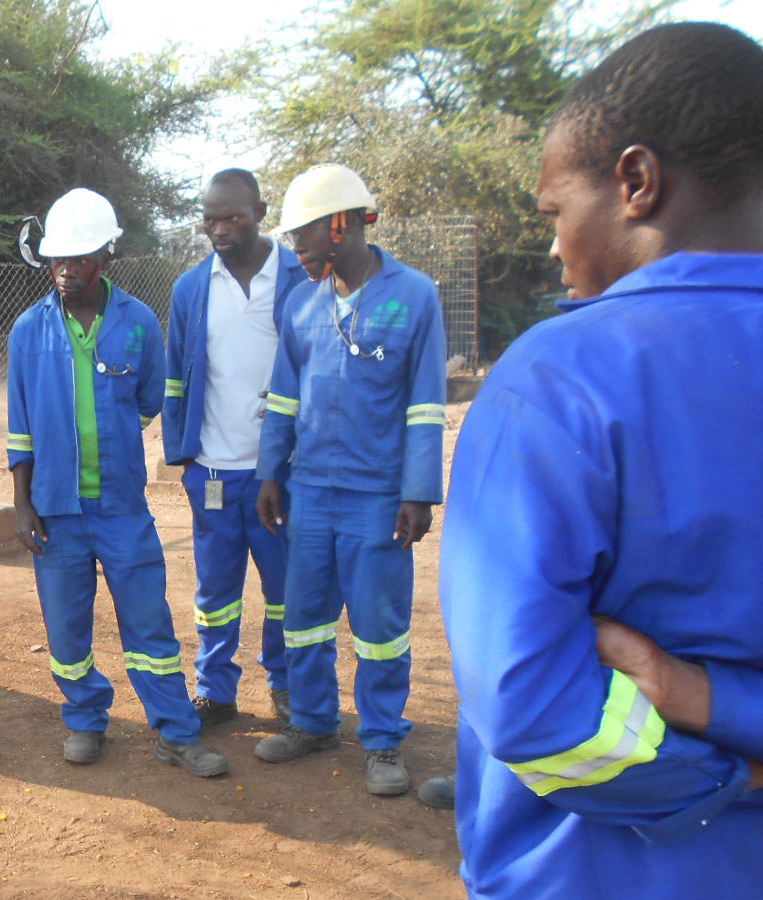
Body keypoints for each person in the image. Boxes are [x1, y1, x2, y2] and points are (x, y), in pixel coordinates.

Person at [440, 22, 763, 897]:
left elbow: (536, 709)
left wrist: (728, 779)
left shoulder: (556, 381)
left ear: (635, 181)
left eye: (554, 211)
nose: (552, 245)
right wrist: (722, 703)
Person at [9, 187, 230, 778]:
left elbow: (152, 400)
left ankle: (176, 732)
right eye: (57, 259)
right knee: (66, 628)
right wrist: (22, 503)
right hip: (54, 510)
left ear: (105, 257)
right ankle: (85, 718)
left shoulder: (137, 325)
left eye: (78, 260)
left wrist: (110, 438)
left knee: (148, 623)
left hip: (122, 508)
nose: (65, 271)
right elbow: (20, 428)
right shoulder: (28, 331)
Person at [251, 164, 446, 796]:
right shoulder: (302, 302)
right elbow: (283, 398)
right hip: (309, 493)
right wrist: (270, 474)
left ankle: (383, 739)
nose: (295, 247)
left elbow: (425, 405)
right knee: (303, 616)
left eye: (303, 233)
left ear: (342, 225)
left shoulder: (415, 296)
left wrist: (418, 491)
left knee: (379, 623)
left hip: (378, 499)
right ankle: (313, 722)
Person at [162, 168, 308, 729]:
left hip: (281, 473)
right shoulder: (193, 288)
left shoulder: (300, 278)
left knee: (284, 591)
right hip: (215, 472)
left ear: (261, 212)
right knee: (215, 589)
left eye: (233, 217)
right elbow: (177, 376)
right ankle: (215, 688)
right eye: (210, 219)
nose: (219, 229)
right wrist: (185, 458)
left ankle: (287, 685)